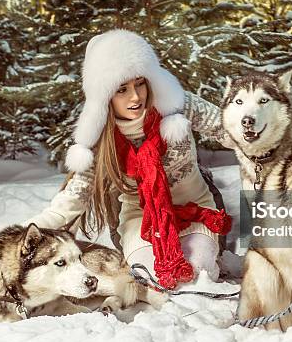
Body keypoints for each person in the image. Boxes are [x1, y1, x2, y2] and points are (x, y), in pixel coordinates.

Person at [22, 29, 234, 289]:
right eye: (122, 89)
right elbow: (73, 197)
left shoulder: (176, 104)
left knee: (196, 269)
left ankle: (215, 255)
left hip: (197, 208)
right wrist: (22, 232)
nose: (135, 97)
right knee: (151, 278)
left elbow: (229, 128)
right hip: (141, 221)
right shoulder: (102, 139)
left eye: (140, 83)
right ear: (106, 96)